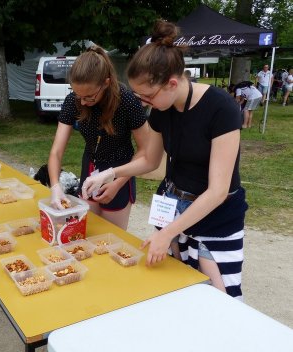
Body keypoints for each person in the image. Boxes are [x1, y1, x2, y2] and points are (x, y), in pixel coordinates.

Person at [82, 20, 247, 299]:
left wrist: (166, 233)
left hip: (214, 220)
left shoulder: (222, 108)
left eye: (147, 96)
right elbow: (150, 160)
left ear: (172, 83)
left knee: (223, 301)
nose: (143, 103)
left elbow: (218, 191)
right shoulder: (163, 108)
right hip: (174, 209)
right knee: (179, 293)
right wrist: (109, 173)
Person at [47, 45, 149, 230]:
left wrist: (118, 183)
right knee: (86, 231)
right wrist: (55, 186)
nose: (82, 101)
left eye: (89, 97)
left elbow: (146, 150)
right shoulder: (73, 100)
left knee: (112, 237)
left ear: (106, 83)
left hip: (121, 169)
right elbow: (56, 151)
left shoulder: (127, 101)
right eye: (78, 94)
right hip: (90, 168)